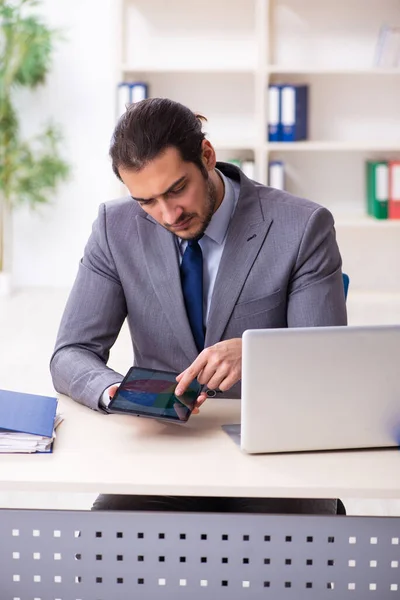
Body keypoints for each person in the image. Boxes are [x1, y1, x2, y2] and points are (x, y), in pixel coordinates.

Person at [50, 98, 347, 514]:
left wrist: (256, 353)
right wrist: (113, 391)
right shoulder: (114, 229)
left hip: (274, 455)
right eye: (146, 202)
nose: (168, 214)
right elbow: (71, 354)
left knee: (284, 553)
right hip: (165, 456)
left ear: (207, 155)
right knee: (105, 543)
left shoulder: (301, 227)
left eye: (177, 189)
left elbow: (330, 361)